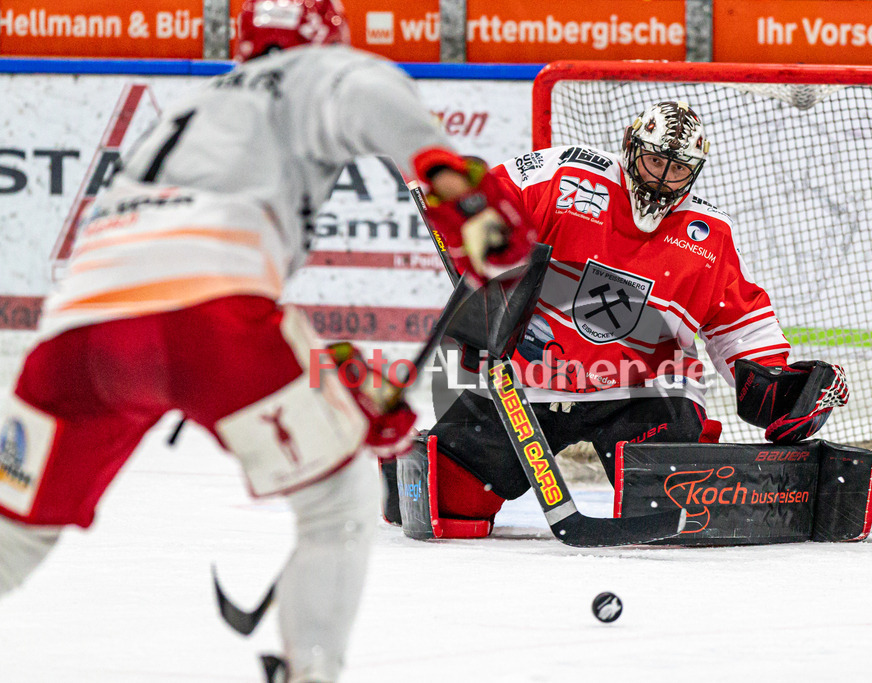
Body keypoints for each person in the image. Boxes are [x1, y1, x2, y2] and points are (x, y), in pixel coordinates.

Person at [0, 1, 530, 681]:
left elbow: (171, 274)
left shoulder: (192, 108)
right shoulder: (319, 71)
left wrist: (343, 397)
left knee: (15, 535)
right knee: (335, 499)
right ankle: (311, 671)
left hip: (76, 336)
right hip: (207, 321)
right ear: (326, 37)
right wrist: (463, 196)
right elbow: (374, 103)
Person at [392, 100, 849, 538]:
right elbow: (494, 195)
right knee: (449, 510)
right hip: (527, 382)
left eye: (678, 170)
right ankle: (408, 463)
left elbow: (739, 320)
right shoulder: (565, 176)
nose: (662, 180)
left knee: (686, 512)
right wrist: (471, 210)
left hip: (642, 393)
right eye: (654, 162)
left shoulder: (708, 234)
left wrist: (775, 380)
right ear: (631, 147)